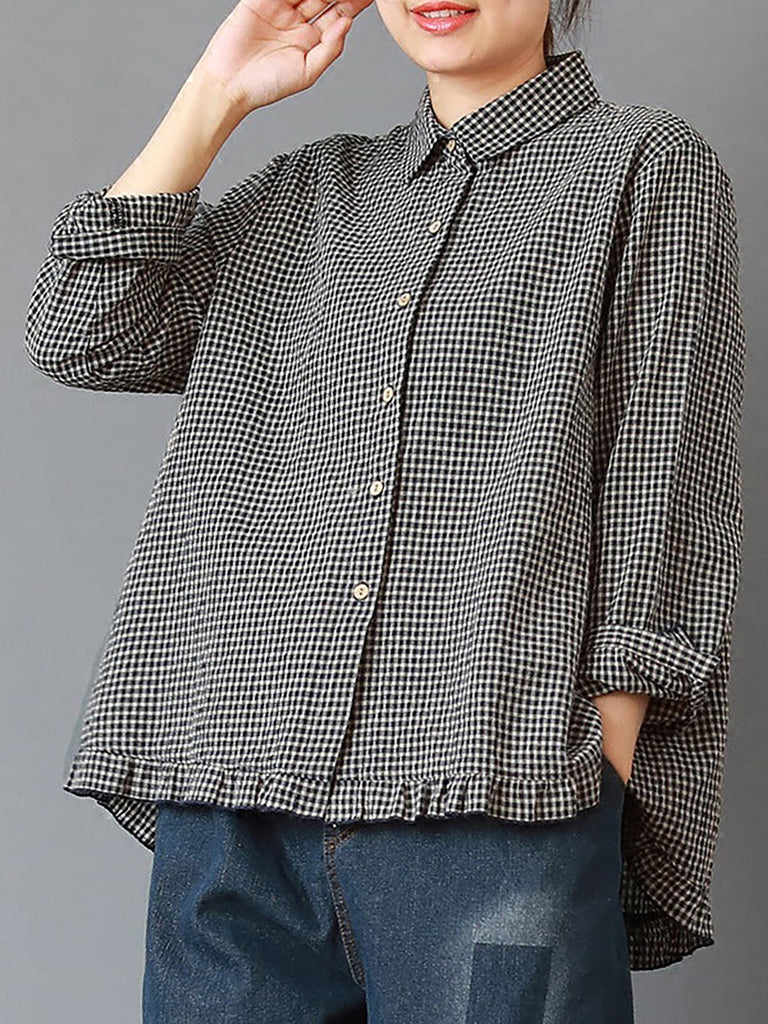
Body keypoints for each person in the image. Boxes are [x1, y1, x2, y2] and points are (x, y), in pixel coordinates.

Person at [25, 0, 745, 1021]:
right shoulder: (307, 190)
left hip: (493, 784)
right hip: (234, 794)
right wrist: (217, 92)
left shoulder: (644, 165)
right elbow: (82, 333)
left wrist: (606, 747)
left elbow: (668, 466)